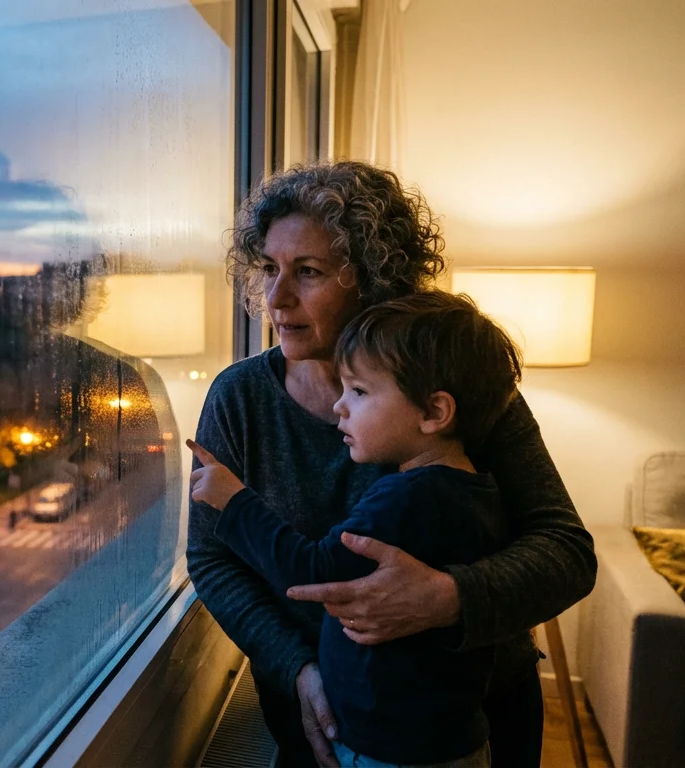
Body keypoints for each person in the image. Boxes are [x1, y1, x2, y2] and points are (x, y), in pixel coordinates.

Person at [186, 161, 596, 768]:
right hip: (320, 720)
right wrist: (299, 670)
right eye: (269, 269)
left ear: (375, 280)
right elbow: (214, 558)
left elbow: (566, 551)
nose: (276, 299)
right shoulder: (239, 397)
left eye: (309, 272)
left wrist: (448, 597)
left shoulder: (452, 387)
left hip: (473, 724)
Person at [189, 290, 523, 767]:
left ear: (434, 413)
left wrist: (234, 502)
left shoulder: (405, 496)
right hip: (450, 735)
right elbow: (212, 561)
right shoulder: (476, 489)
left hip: (396, 751)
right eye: (268, 268)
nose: (341, 407)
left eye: (360, 392)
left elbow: (316, 571)